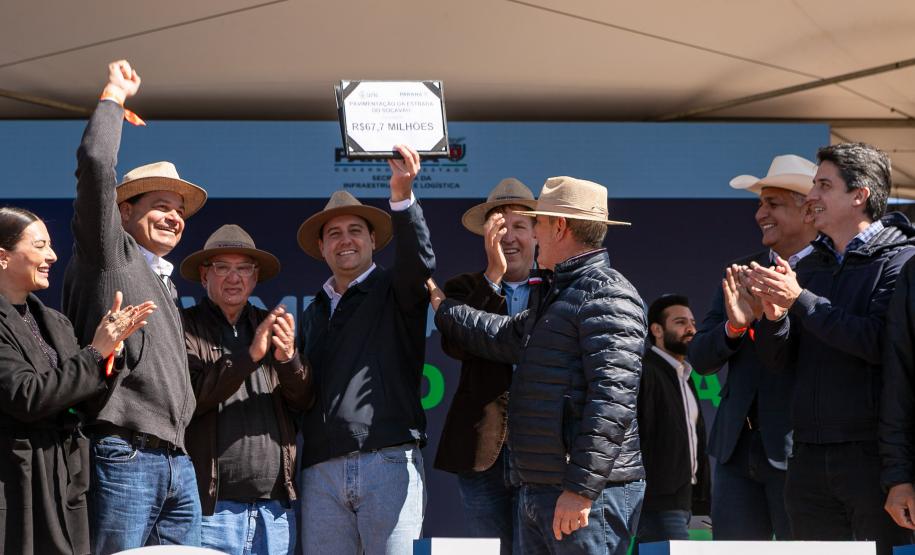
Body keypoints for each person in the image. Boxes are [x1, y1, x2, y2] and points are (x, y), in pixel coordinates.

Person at [432, 176, 646, 555]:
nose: (532, 233)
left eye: (538, 222)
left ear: (560, 227)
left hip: (582, 497)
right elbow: (499, 335)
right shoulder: (557, 293)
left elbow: (611, 404)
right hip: (543, 489)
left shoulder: (607, 293)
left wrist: (579, 490)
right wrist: (447, 308)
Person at [61, 60, 208, 553]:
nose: (174, 217)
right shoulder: (110, 253)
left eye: (180, 210)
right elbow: (98, 166)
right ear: (124, 211)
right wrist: (113, 99)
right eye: (161, 206)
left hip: (176, 462)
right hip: (123, 454)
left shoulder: (162, 280)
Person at [747, 143, 915, 554]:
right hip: (806, 457)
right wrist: (774, 317)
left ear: (859, 196)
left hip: (871, 458)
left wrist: (801, 299)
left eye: (824, 185)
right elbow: (777, 362)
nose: (812, 197)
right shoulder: (809, 268)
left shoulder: (901, 261)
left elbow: (876, 342)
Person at [296, 145, 435, 555]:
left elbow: (420, 261)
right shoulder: (313, 311)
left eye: (355, 230)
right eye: (334, 234)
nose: (345, 241)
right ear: (322, 248)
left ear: (373, 239)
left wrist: (403, 196)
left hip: (387, 462)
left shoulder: (396, 289)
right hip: (320, 470)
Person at [0, 207, 154, 554]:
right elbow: (27, 396)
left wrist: (111, 353)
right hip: (17, 483)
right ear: (3, 257)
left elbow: (83, 401)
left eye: (51, 246)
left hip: (65, 483)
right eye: (39, 246)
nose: (52, 255)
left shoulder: (56, 322)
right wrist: (94, 353)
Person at [688, 154, 817, 540]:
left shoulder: (832, 272)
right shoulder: (740, 271)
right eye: (760, 204)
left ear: (808, 211)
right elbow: (700, 357)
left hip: (799, 451)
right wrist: (734, 326)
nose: (761, 213)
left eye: (772, 204)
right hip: (736, 450)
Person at [180, 224, 312, 555]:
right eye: (222, 268)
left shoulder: (275, 325)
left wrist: (288, 360)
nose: (233, 278)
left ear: (255, 278)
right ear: (204, 276)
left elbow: (304, 401)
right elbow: (192, 397)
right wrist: (251, 355)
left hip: (275, 508)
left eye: (243, 269)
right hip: (212, 508)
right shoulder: (184, 325)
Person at [434, 178, 538, 554]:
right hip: (482, 449)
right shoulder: (463, 287)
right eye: (499, 227)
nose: (508, 237)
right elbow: (456, 346)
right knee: (491, 549)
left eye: (519, 227)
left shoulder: (559, 288)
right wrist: (492, 275)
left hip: (544, 451)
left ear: (538, 233)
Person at [637, 295, 709, 546]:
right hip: (656, 501)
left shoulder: (685, 375)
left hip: (684, 500)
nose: (690, 329)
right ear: (656, 329)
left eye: (692, 322)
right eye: (680, 322)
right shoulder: (646, 371)